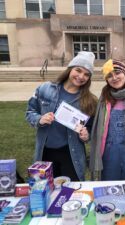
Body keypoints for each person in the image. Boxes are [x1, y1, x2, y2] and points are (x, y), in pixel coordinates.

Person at [26, 51, 98, 181]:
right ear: (70, 69)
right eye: (78, 70)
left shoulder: (90, 101)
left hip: (71, 154)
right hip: (45, 151)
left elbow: (91, 130)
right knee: (44, 189)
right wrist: (40, 119)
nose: (81, 76)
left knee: (72, 192)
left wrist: (86, 136)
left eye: (87, 74)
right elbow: (30, 112)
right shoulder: (45, 89)